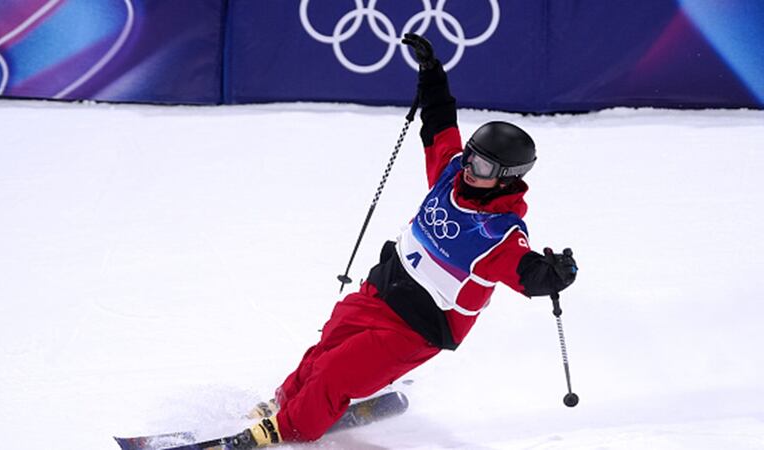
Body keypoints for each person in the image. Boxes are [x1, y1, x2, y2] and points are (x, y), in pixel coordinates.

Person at [226, 33, 578, 449]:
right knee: (326, 346)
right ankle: (283, 404)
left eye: (482, 165)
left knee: (336, 372)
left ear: (507, 176)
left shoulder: (498, 234)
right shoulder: (450, 173)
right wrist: (432, 73)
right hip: (385, 285)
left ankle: (291, 429)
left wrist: (557, 273)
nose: (469, 168)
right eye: (470, 155)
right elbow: (439, 123)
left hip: (419, 325)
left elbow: (529, 274)